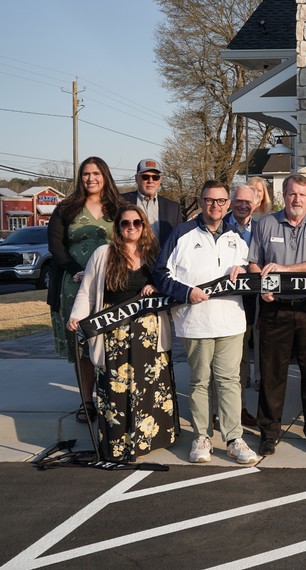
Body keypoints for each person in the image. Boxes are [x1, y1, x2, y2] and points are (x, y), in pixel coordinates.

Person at [154, 181, 257, 465]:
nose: (216, 206)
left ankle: (234, 438)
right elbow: (161, 275)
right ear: (201, 202)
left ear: (228, 204)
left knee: (229, 381)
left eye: (221, 201)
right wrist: (186, 292)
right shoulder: (182, 233)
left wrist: (248, 269)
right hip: (195, 322)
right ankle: (202, 436)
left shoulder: (238, 236)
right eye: (210, 200)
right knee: (200, 382)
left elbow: (255, 270)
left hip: (231, 322)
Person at [67, 205, 177, 462]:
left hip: (148, 330)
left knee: (147, 388)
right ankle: (117, 443)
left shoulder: (153, 254)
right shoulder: (103, 253)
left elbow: (168, 284)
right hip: (112, 331)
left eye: (136, 223)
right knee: (115, 388)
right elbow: (88, 289)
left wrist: (155, 286)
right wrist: (77, 316)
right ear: (117, 227)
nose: (131, 228)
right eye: (125, 223)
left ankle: (144, 442)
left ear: (144, 226)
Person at [248, 174, 306, 456]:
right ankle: (269, 433)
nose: (297, 199)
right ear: (283, 196)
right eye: (292, 194)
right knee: (272, 375)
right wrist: (263, 288)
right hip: (275, 308)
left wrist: (283, 270)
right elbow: (253, 264)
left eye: (302, 195)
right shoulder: (265, 223)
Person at [48, 156, 121, 424]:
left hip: (113, 286)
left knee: (113, 343)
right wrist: (74, 269)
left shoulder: (118, 207)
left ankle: (115, 397)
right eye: (86, 174)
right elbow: (55, 245)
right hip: (74, 283)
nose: (91, 178)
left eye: (96, 173)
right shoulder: (66, 208)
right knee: (82, 347)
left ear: (105, 176)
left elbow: (132, 239)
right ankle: (87, 402)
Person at [225, 183, 259, 427]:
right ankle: (219, 411)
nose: (243, 205)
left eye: (248, 201)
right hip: (222, 301)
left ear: (255, 204)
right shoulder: (218, 225)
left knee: (243, 359)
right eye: (238, 200)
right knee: (224, 360)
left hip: (252, 303)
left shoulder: (262, 228)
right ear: (230, 202)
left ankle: (240, 408)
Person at [120, 159, 183, 246]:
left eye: (155, 177)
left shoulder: (173, 208)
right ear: (136, 178)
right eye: (145, 177)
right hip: (129, 258)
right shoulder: (120, 202)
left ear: (160, 179)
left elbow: (179, 239)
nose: (150, 181)